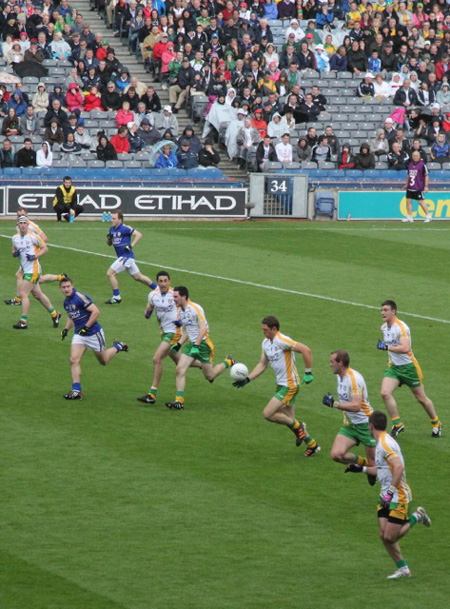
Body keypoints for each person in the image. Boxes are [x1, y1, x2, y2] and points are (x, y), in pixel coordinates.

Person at [346, 410, 431, 579]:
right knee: (383, 535)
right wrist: (360, 469)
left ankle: (417, 516)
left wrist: (391, 491)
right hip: (385, 494)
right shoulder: (380, 444)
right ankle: (403, 569)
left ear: (370, 426)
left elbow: (398, 467)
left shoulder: (385, 444)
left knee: (391, 537)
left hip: (397, 495)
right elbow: (383, 469)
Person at [233, 316, 320, 456]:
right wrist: (247, 379)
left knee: (268, 414)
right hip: (281, 385)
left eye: (266, 330)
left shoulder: (282, 340)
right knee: (289, 419)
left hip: (290, 385)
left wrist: (308, 372)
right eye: (262, 330)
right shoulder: (266, 343)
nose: (264, 333)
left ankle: (300, 427)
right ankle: (312, 444)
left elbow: (306, 350)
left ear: (274, 329)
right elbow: (262, 364)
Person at [164, 286, 235, 410]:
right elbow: (187, 331)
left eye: (176, 297)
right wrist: (179, 344)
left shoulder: (196, 308)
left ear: (183, 297)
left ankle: (228, 361)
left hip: (203, 345)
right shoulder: (181, 312)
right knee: (180, 369)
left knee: (210, 376)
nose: (173, 299)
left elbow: (203, 328)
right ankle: (179, 401)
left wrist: (196, 345)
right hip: (191, 344)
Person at [377, 300, 441, 438]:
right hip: (393, 368)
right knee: (384, 393)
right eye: (382, 310)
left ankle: (436, 423)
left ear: (393, 312)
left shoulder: (401, 327)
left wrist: (387, 347)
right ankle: (398, 424)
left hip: (409, 368)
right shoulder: (383, 328)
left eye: (386, 310)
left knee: (421, 398)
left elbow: (405, 348)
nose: (382, 312)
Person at [137, 271, 201, 405]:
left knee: (157, 358)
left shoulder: (175, 295)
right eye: (160, 281)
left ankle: (152, 394)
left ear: (169, 281)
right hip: (164, 333)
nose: (163, 283)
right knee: (180, 363)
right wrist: (147, 313)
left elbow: (186, 307)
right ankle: (204, 365)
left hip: (175, 332)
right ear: (157, 282)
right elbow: (148, 309)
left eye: (166, 281)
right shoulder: (153, 295)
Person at [60, 277, 128, 400]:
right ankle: (77, 391)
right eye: (64, 287)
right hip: (80, 335)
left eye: (68, 286)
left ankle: (118, 346)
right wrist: (66, 329)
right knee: (73, 360)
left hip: (93, 333)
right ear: (60, 289)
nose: (66, 289)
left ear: (72, 286)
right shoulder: (66, 302)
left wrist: (86, 327)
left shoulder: (80, 297)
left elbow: (96, 312)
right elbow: (71, 316)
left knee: (103, 361)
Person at [323, 350, 377, 485]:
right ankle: (365, 465)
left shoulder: (354, 379)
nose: (330, 365)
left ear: (340, 363)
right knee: (336, 455)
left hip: (366, 425)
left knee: (377, 467)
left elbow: (356, 406)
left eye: (332, 362)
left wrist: (334, 404)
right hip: (350, 425)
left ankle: (371, 468)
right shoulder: (339, 376)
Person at [10, 216, 61, 330]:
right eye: (20, 223)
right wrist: (15, 253)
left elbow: (45, 248)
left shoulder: (33, 237)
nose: (22, 225)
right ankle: (55, 314)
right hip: (25, 270)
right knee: (38, 294)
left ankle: (23, 321)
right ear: (18, 225)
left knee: (23, 293)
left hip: (33, 270)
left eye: (24, 223)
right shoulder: (15, 238)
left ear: (28, 225)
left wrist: (35, 256)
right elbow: (13, 250)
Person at [105, 210, 156, 304]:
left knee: (110, 273)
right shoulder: (111, 229)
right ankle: (157, 289)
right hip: (122, 257)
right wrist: (109, 238)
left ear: (120, 219)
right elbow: (109, 244)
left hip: (126, 256)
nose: (112, 220)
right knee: (138, 277)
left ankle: (116, 297)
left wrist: (131, 245)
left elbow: (138, 235)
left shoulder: (125, 228)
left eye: (114, 218)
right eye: (112, 218)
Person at [403, 150, 431, 223]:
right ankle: (409, 216)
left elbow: (426, 175)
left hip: (418, 186)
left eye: (417, 156)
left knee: (420, 202)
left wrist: (426, 186)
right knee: (408, 201)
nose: (415, 157)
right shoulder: (410, 164)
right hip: (410, 187)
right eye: (414, 156)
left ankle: (428, 215)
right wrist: (406, 184)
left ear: (419, 156)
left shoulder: (422, 165)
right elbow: (409, 175)